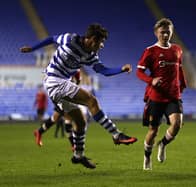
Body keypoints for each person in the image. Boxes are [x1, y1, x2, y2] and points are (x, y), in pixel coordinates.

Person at [20, 23, 137, 169]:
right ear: (93, 39)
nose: (102, 46)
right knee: (91, 100)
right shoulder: (70, 39)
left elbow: (103, 70)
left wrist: (121, 69)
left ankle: (78, 156)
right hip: (54, 80)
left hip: (60, 86)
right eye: (101, 42)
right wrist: (32, 48)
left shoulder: (91, 55)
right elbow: (52, 39)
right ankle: (116, 134)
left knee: (80, 123)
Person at [136, 18, 187, 170]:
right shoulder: (150, 51)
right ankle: (147, 158)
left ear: (172, 33)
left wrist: (182, 84)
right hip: (156, 97)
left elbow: (179, 69)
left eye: (168, 32)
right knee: (153, 130)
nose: (165, 35)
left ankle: (163, 144)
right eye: (162, 32)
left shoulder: (177, 49)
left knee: (177, 124)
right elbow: (139, 72)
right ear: (156, 33)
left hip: (173, 96)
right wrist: (150, 80)